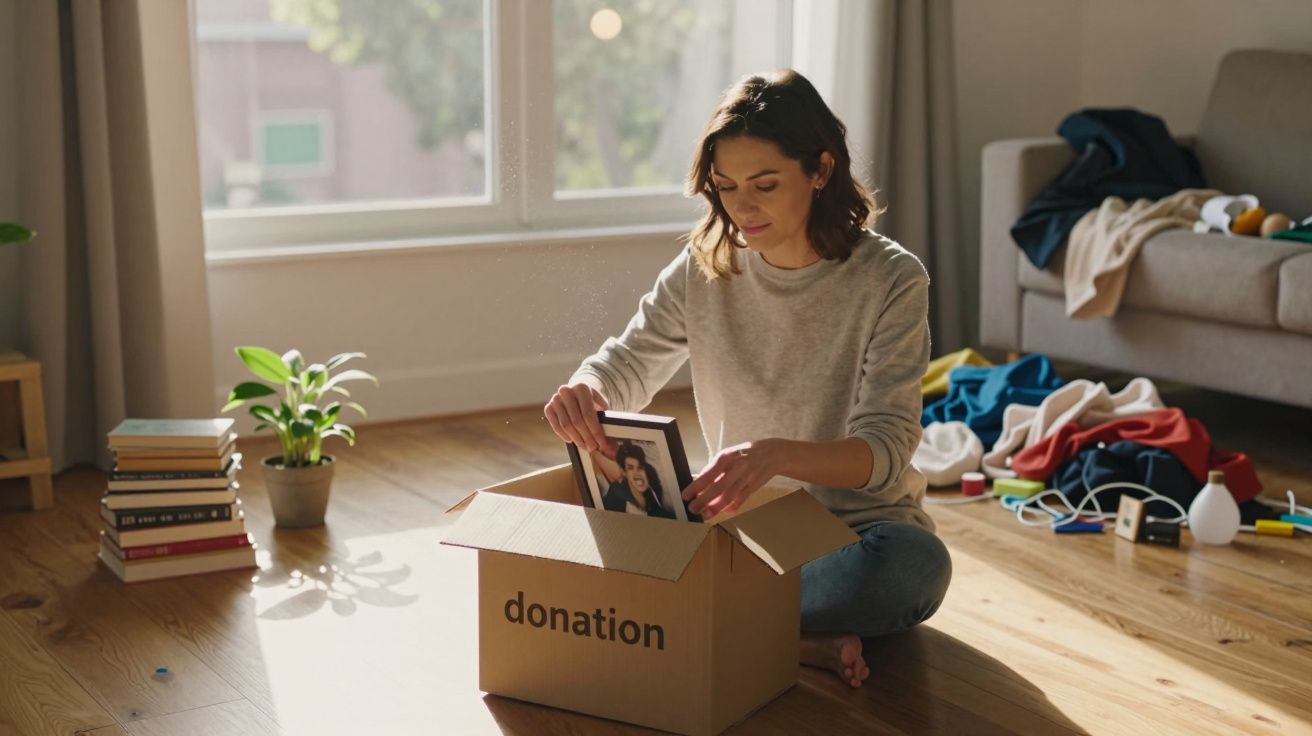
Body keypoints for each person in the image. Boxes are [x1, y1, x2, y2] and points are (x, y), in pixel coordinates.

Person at [543, 69, 951, 689]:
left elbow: (887, 452)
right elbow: (625, 363)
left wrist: (774, 456)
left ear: (820, 170)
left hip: (855, 535)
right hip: (746, 531)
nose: (741, 208)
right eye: (726, 186)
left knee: (911, 568)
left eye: (765, 184)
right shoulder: (704, 266)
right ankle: (781, 635)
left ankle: (693, 615)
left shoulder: (892, 278)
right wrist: (586, 390)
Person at [600, 443, 676, 519]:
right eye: (630, 468)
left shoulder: (652, 495)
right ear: (624, 472)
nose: (637, 473)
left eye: (640, 467)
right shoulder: (617, 491)